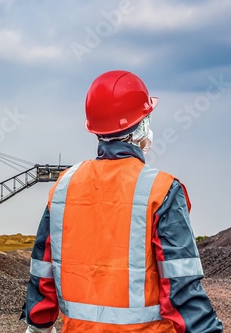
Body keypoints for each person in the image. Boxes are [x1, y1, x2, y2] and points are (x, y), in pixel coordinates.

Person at [21, 70, 223, 333]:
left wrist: (37, 327)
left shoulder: (63, 188)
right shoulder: (161, 191)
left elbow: (42, 275)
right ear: (141, 124)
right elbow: (182, 290)